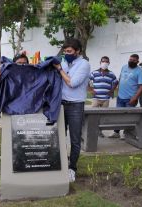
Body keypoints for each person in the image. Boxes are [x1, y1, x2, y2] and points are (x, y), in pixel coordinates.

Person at [53, 38, 90, 182]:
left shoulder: (84, 64)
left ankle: (72, 168)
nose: (66, 53)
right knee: (60, 137)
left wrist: (60, 70)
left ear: (78, 51)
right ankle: (61, 163)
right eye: (65, 51)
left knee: (75, 139)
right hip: (61, 104)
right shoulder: (62, 61)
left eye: (69, 51)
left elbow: (72, 83)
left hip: (75, 105)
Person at [109, 54, 142, 139]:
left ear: (137, 61)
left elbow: (141, 86)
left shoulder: (139, 71)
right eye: (130, 59)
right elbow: (120, 79)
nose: (131, 61)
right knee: (118, 116)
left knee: (128, 117)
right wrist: (113, 89)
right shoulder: (124, 67)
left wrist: (135, 97)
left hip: (131, 98)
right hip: (120, 97)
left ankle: (127, 133)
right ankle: (116, 132)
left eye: (133, 60)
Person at [89, 56, 118, 137]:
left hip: (105, 99)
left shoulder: (111, 74)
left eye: (106, 62)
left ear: (108, 63)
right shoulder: (94, 73)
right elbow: (89, 81)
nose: (104, 63)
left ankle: (99, 132)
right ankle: (92, 131)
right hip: (96, 98)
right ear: (100, 62)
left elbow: (116, 82)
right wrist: (91, 90)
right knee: (93, 115)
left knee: (102, 116)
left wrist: (112, 90)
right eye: (103, 61)